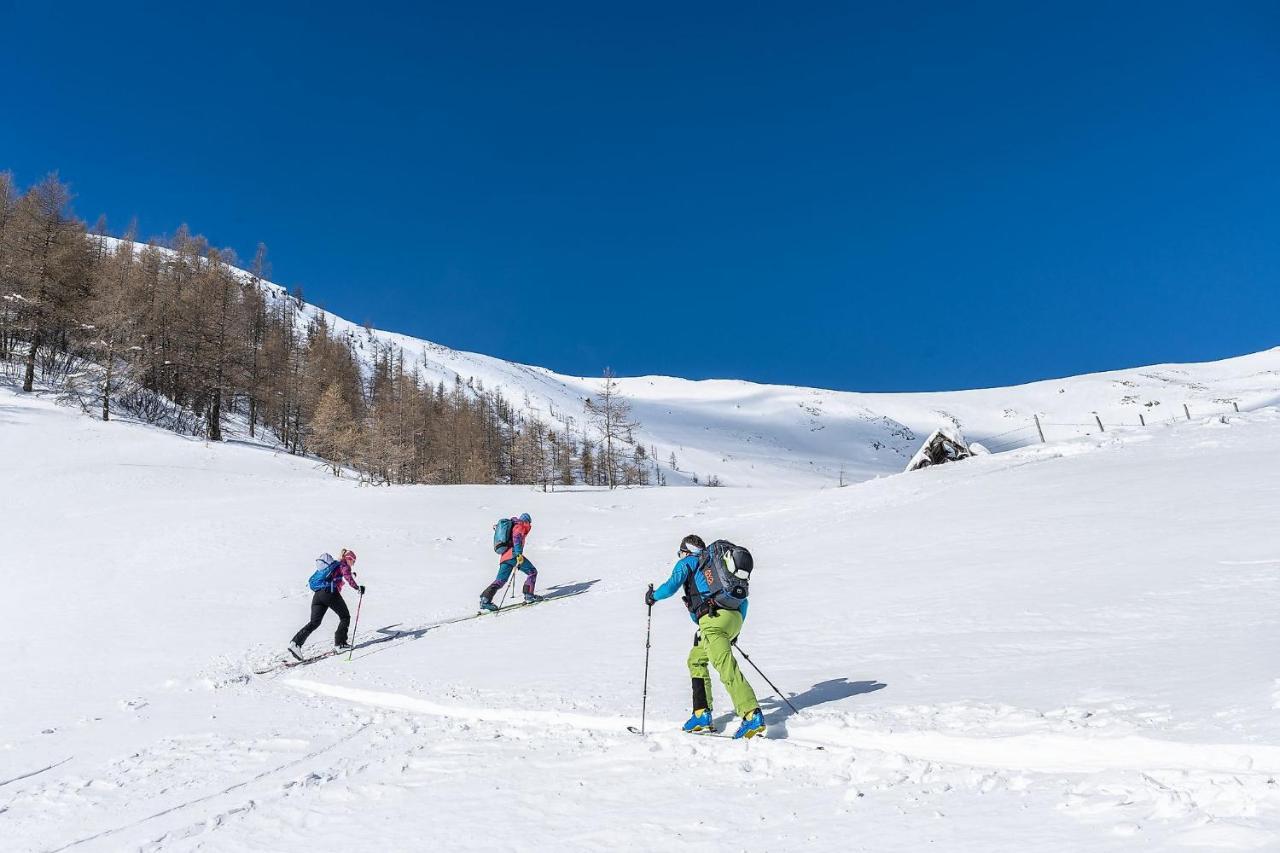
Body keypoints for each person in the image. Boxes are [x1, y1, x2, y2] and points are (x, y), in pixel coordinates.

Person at [646, 534, 765, 740]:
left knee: (725, 666)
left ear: (685, 551)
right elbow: (743, 601)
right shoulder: (718, 567)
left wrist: (652, 596)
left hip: (712, 621)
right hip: (733, 618)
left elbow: (671, 587)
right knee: (696, 659)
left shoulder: (688, 562)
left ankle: (751, 713)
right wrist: (734, 631)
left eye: (680, 553)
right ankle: (701, 713)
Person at [288, 548, 365, 660]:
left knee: (315, 622)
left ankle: (295, 643)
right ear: (349, 559)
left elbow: (340, 575)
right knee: (345, 616)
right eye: (354, 561)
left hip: (318, 595)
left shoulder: (333, 565)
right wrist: (357, 587)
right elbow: (346, 576)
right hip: (330, 593)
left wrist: (351, 573)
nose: (353, 563)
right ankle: (340, 644)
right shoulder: (343, 564)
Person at [479, 512, 541, 611]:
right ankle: (529, 595)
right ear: (527, 521)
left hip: (504, 557)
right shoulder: (519, 526)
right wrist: (519, 554)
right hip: (513, 555)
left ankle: (485, 600)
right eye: (529, 522)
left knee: (500, 580)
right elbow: (516, 539)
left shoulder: (513, 526)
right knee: (532, 571)